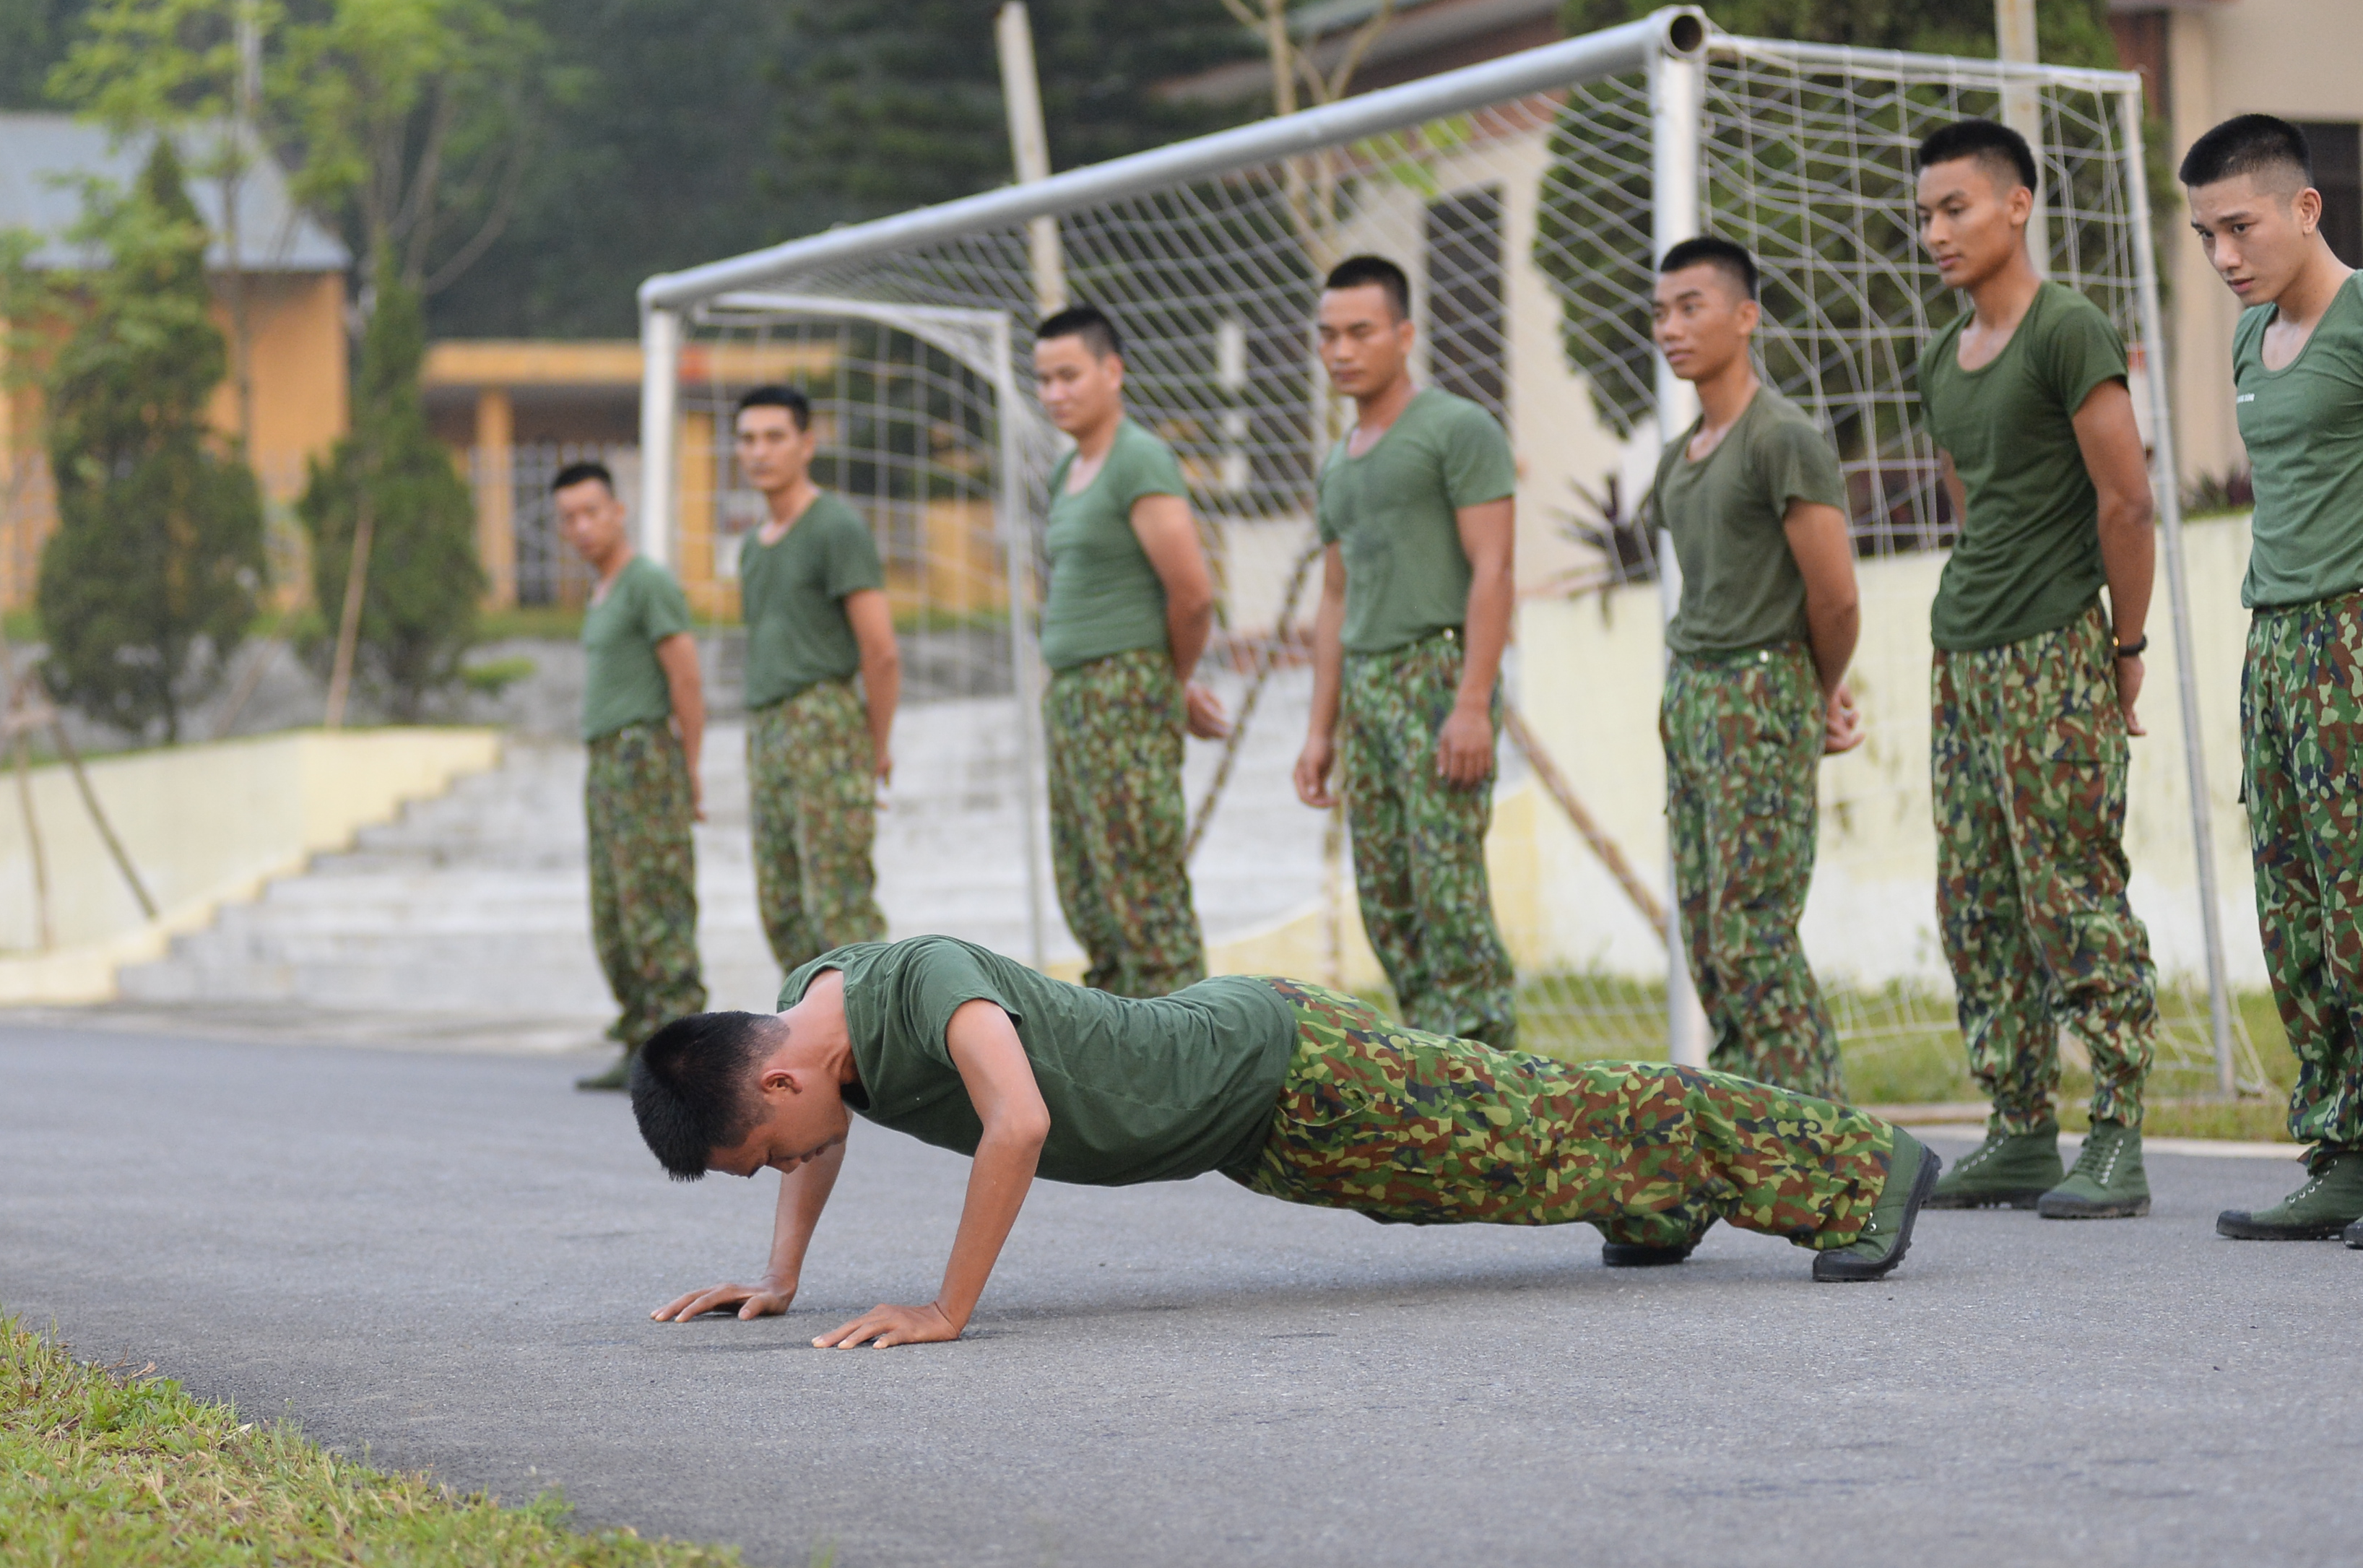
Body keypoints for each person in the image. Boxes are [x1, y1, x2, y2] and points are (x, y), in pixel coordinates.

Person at [630, 935, 1943, 1348]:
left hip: (1286, 1062)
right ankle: (1657, 1200)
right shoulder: (818, 1032)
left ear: (788, 1073)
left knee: (1545, 1116)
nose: (794, 1163)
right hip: (1253, 1121)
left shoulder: (918, 982)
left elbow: (1018, 1119)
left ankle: (1857, 1170)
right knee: (1488, 1176)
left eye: (772, 1149)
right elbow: (829, 1142)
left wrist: (945, 1307)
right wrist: (786, 1273)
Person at [1909, 118, 2161, 1218]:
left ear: (2016, 205)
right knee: (1975, 896)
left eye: (1954, 208)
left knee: (2071, 887)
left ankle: (2116, 1128)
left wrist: (2125, 649)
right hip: (1961, 657)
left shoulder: (2069, 330)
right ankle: (2017, 1126)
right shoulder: (1937, 360)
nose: (1935, 232)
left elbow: (2129, 500)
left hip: (2058, 643)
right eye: (1924, 215)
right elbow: (1970, 509)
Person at [2181, 114, 2363, 1251]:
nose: (2224, 256)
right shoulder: (2248, 341)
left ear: (2305, 209)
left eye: (2240, 227)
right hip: (2275, 648)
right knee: (2302, 916)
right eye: (2206, 236)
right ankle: (2349, 1149)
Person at [1644, 236, 1864, 1099]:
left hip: (1760, 689)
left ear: (1745, 316)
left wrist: (1818, 687)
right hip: (1693, 694)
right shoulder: (1680, 455)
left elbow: (1836, 598)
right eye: (1660, 311)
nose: (1670, 327)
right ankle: (1750, 1138)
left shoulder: (1783, 439)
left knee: (1753, 933)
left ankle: (1839, 1150)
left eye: (1690, 306)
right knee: (1706, 938)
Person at [1293, 255, 1517, 1047]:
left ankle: (1491, 1083)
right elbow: (1334, 597)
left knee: (1449, 894)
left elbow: (1494, 568)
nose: (1342, 350)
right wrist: (1321, 729)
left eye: (1360, 331)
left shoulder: (1457, 428)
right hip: (1365, 689)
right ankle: (1433, 1079)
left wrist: (1470, 702)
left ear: (1405, 333)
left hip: (1437, 674)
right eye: (1328, 335)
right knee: (1387, 898)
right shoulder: (1336, 460)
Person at [1033, 303, 1228, 997]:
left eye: (1069, 375)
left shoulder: (1138, 458)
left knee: (1144, 895)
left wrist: (1166, 683)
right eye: (1044, 380)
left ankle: (1195, 1064)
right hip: (1074, 700)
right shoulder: (1068, 473)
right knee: (1089, 892)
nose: (1055, 393)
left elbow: (1193, 593)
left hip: (1125, 690)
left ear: (1112, 372)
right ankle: (1123, 1062)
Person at [734, 384, 899, 973]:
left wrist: (875, 746)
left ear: (807, 443)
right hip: (768, 728)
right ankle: (812, 1048)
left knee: (839, 901)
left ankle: (878, 1048)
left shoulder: (835, 526)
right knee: (780, 903)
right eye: (748, 439)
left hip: (824, 721)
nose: (760, 452)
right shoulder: (752, 546)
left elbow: (879, 650)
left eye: (775, 437)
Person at [555, 461, 705, 1093]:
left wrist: (690, 768)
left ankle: (684, 1052)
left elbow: (687, 678)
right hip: (607, 762)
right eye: (569, 518)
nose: (583, 527)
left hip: (645, 755)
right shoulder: (604, 590)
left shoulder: (646, 581)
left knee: (655, 901)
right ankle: (641, 1041)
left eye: (593, 512)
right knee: (614, 909)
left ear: (619, 511)